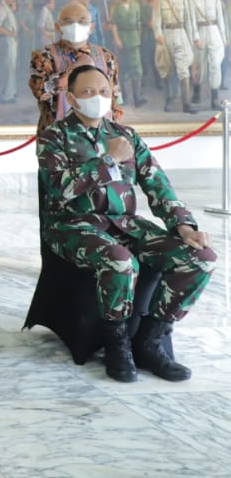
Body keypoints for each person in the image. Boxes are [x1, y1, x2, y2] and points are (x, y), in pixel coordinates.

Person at [37, 65, 217, 382]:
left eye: (104, 92)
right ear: (71, 97)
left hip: (125, 224)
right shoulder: (54, 137)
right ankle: (116, 344)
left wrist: (184, 226)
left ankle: (149, 341)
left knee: (200, 259)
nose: (97, 98)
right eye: (88, 92)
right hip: (73, 226)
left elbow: (158, 186)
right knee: (122, 262)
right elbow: (60, 188)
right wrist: (107, 160)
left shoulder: (126, 136)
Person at [29, 2, 122, 136]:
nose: (76, 26)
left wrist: (116, 132)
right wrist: (74, 68)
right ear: (58, 27)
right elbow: (40, 91)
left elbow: (116, 98)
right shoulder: (44, 56)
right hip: (57, 138)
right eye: (69, 22)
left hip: (101, 137)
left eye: (82, 22)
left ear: (91, 27)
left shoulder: (106, 57)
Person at [191, 0, 228, 110]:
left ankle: (214, 98)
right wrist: (195, 37)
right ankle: (197, 93)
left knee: (215, 65)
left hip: (214, 32)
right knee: (199, 65)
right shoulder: (193, 0)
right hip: (200, 33)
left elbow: (221, 20)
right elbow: (191, 21)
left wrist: (224, 38)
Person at [111, 0, 148, 108]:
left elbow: (139, 23)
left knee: (136, 69)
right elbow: (114, 25)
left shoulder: (136, 5)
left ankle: (137, 98)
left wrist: (139, 37)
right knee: (123, 70)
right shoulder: (116, 8)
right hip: (122, 40)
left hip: (134, 41)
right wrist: (116, 39)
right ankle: (124, 98)